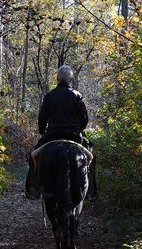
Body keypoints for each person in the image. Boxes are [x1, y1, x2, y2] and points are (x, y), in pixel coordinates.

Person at [26, 65, 98, 201]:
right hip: (74, 136)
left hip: (52, 134)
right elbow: (84, 120)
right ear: (71, 80)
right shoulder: (77, 96)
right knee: (91, 159)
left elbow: (42, 118)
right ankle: (91, 192)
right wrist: (79, 129)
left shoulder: (50, 95)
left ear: (57, 78)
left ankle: (33, 190)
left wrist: (43, 132)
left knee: (33, 157)